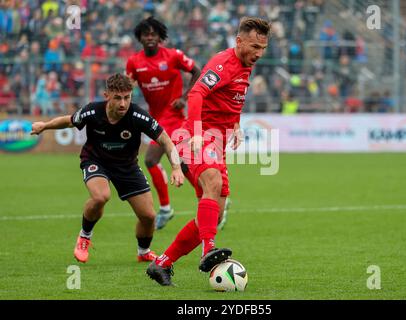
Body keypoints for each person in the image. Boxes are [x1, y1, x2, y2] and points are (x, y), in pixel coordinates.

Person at [146, 17, 271, 286]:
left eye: (263, 48)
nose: (259, 53)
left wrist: (235, 125)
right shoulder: (223, 62)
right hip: (198, 137)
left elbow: (229, 98)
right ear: (238, 42)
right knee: (212, 184)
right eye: (254, 47)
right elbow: (196, 94)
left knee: (214, 212)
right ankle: (208, 251)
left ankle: (162, 264)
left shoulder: (246, 63)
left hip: (218, 141)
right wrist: (197, 132)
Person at [30, 73, 184, 263]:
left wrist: (176, 167)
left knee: (148, 216)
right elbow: (69, 120)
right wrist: (44, 126)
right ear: (106, 96)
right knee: (101, 196)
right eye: (117, 98)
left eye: (127, 98)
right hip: (96, 161)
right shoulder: (93, 112)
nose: (123, 104)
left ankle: (143, 252)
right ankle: (85, 236)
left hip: (127, 166)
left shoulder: (137, 115)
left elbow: (166, 140)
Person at [126, 16, 202, 230]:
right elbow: (128, 88)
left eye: (153, 34)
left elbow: (198, 71)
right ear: (140, 38)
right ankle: (209, 197)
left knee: (151, 159)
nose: (150, 37)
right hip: (155, 117)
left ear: (160, 37)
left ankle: (169, 208)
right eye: (145, 34)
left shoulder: (173, 56)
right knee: (185, 165)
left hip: (174, 117)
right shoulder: (134, 62)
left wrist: (185, 98)